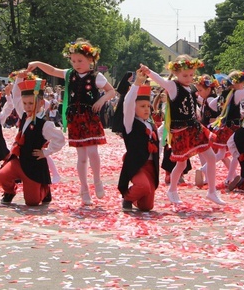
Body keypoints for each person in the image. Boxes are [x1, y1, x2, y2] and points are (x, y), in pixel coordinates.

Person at [27, 38, 115, 205]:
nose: (76, 64)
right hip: (75, 118)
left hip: (90, 117)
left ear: (91, 60)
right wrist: (38, 63)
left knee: (93, 153)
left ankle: (97, 180)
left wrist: (101, 100)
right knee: (81, 157)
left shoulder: (97, 76)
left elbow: (111, 92)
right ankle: (84, 189)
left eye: (80, 60)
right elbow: (52, 70)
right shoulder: (69, 74)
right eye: (73, 60)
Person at [140, 56, 225, 205]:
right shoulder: (173, 86)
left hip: (195, 128)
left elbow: (195, 101)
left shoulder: (191, 87)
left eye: (191, 75)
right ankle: (172, 189)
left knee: (211, 158)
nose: (189, 78)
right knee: (182, 164)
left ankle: (212, 192)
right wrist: (149, 72)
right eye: (185, 75)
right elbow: (161, 80)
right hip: (181, 131)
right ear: (176, 73)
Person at [0, 73, 65, 206]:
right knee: (1, 176)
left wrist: (46, 152)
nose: (27, 106)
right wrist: (20, 78)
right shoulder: (23, 114)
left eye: (31, 103)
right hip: (19, 161)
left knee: (32, 202)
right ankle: (10, 191)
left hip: (34, 166)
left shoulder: (45, 124)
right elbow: (16, 95)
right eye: (25, 103)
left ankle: (45, 190)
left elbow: (60, 139)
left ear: (40, 103)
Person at [118, 72, 160, 212]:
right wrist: (136, 84)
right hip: (137, 165)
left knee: (147, 206)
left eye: (148, 106)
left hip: (150, 167)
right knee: (143, 186)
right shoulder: (130, 123)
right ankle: (127, 198)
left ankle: (137, 199)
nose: (147, 109)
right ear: (134, 109)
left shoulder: (151, 125)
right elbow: (128, 104)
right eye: (142, 106)